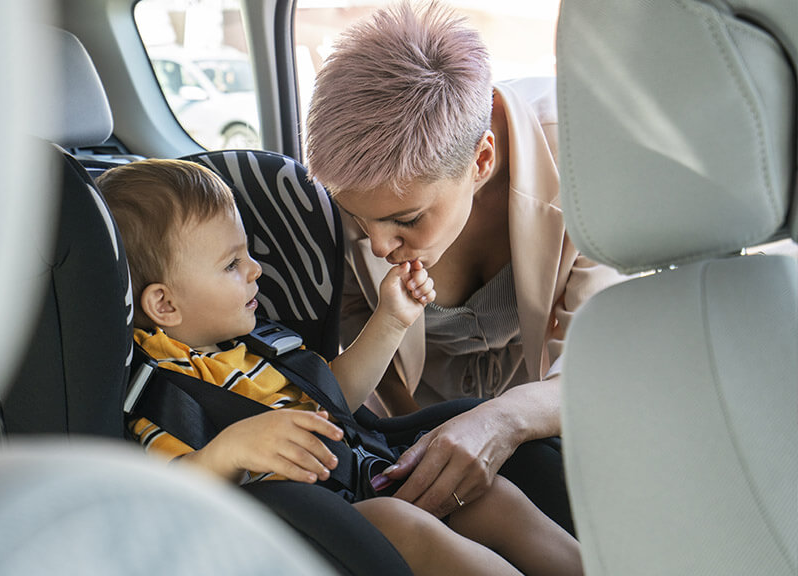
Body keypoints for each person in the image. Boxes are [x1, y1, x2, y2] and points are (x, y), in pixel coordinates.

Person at [97, 158, 583, 576]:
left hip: (361, 477)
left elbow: (338, 402)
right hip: (299, 528)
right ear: (164, 304)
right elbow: (166, 501)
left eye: (248, 254)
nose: (255, 270)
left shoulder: (258, 344)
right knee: (403, 525)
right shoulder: (162, 392)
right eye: (231, 265)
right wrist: (228, 452)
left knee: (486, 497)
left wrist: (391, 320)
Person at [304, 1, 626, 525]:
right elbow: (361, 336)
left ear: (481, 159)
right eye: (360, 220)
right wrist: (423, 446)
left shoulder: (588, 158)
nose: (380, 246)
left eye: (406, 220)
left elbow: (604, 363)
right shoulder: (328, 200)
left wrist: (503, 422)